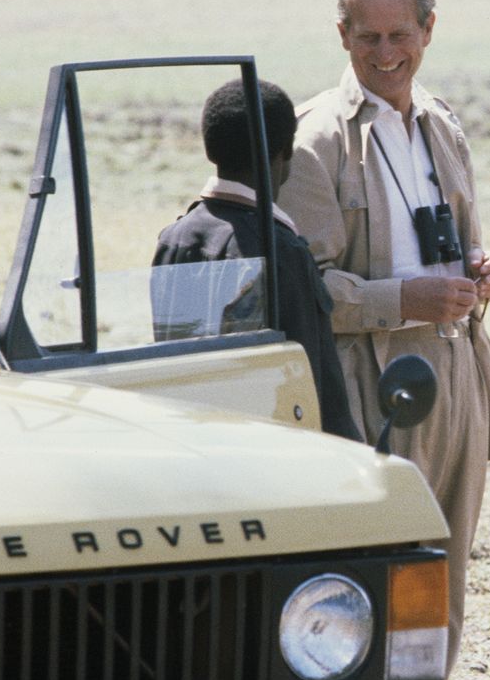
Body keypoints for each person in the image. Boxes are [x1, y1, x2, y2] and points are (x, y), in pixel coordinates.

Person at [277, 0, 490, 680]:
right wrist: (403, 301)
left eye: (399, 36)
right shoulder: (317, 139)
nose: (384, 53)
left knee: (443, 600)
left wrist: (482, 275)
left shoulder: (440, 121)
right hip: (377, 387)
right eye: (366, 38)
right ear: (341, 38)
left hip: (454, 373)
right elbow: (306, 288)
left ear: (428, 31)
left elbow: (458, 245)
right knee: (393, 603)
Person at [152, 79, 361, 442]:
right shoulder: (281, 250)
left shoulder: (174, 238)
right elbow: (311, 382)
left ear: (209, 150)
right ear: (286, 153)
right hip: (269, 450)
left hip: (193, 443)